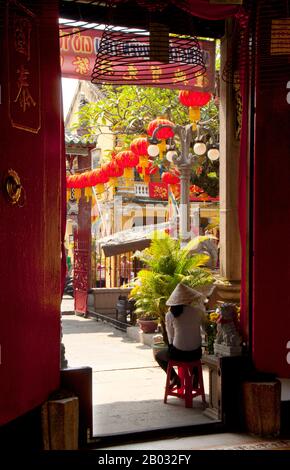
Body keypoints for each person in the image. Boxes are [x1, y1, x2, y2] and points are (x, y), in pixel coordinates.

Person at [155, 283, 207, 388]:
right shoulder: (198, 311)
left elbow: (171, 338)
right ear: (189, 299)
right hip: (196, 353)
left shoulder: (170, 315)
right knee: (191, 351)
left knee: (159, 356)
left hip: (179, 354)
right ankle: (194, 376)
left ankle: (174, 378)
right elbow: (204, 330)